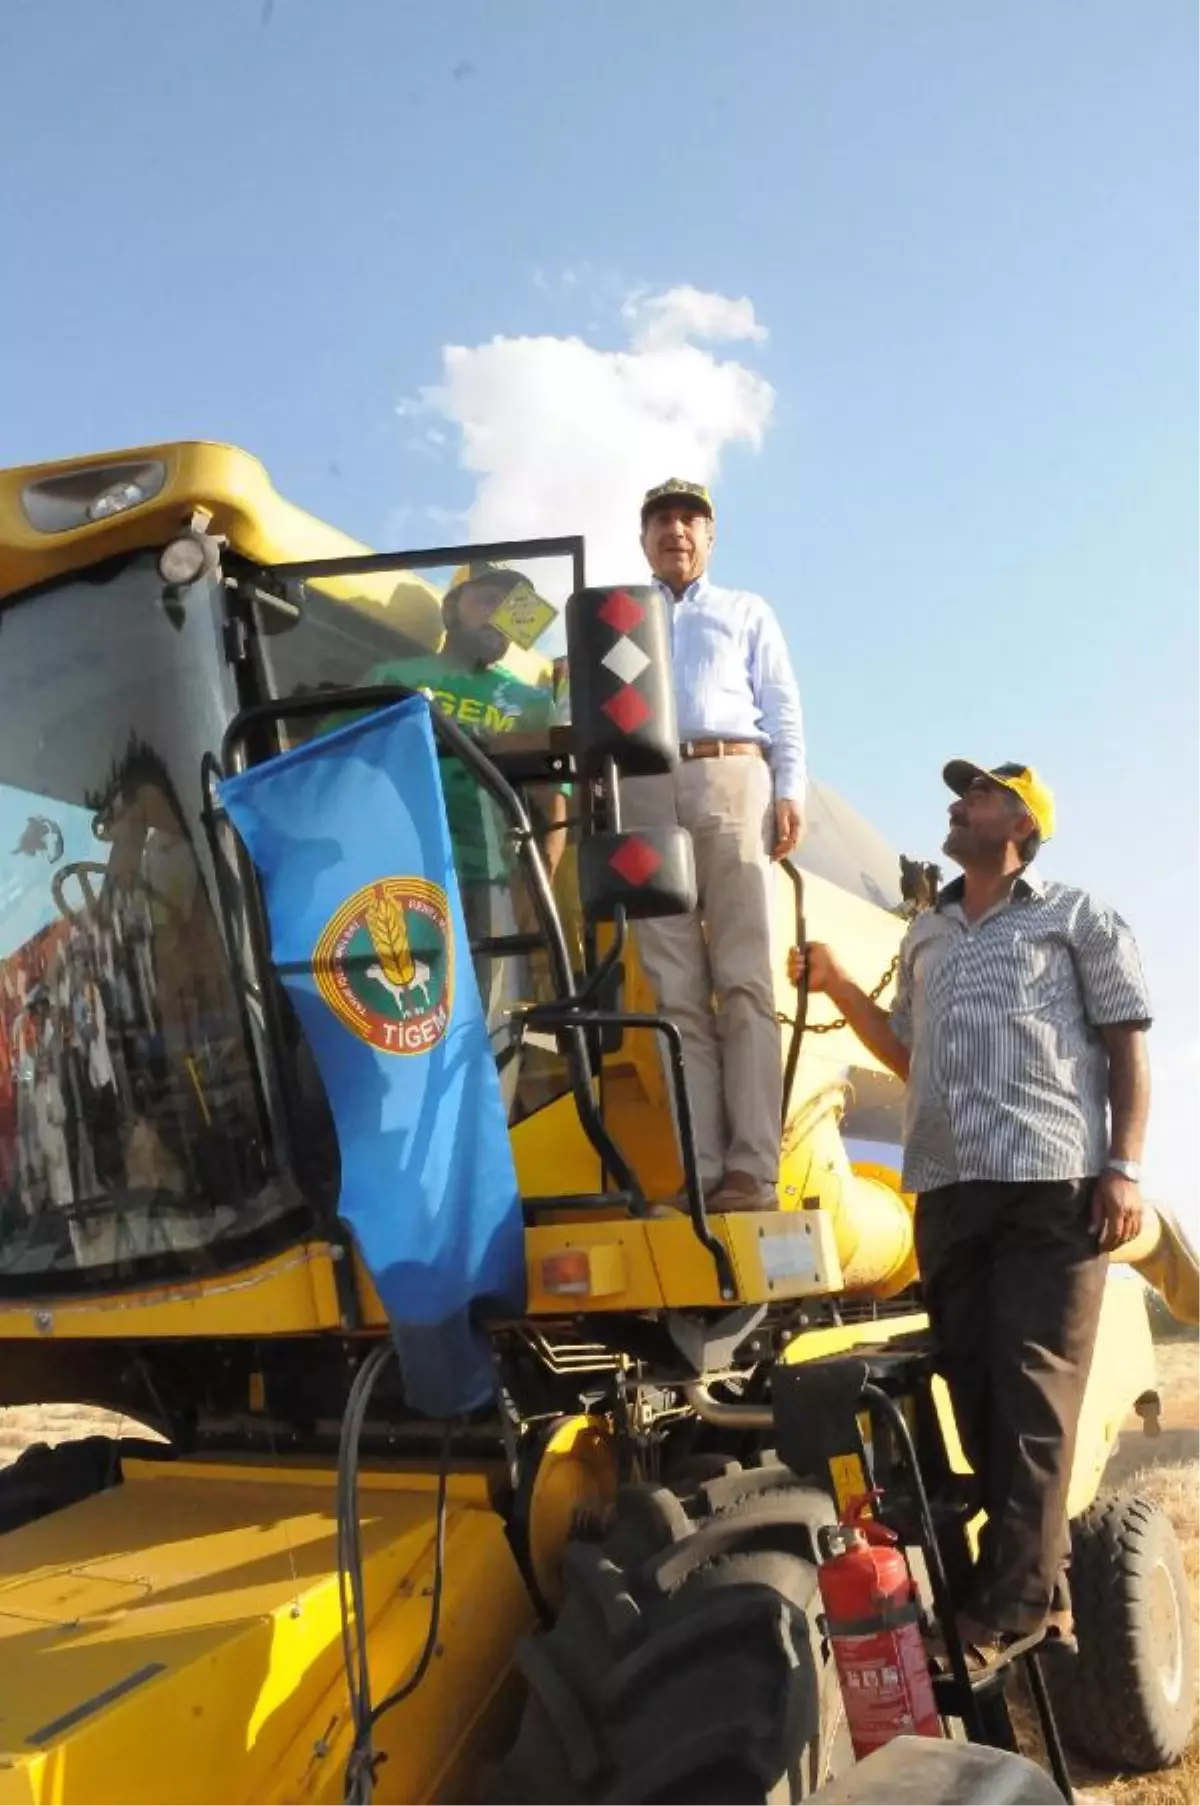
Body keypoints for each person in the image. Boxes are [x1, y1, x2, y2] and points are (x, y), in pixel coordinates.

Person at [792, 759, 1151, 1666]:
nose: (957, 805)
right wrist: (838, 988)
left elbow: (1125, 1050)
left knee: (1033, 1393)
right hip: (949, 1190)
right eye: (960, 795)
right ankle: (1050, 1588)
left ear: (1021, 823)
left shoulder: (1078, 918)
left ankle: (1008, 1610)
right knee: (979, 1392)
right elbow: (906, 1054)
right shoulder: (929, 935)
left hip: (1052, 1187)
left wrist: (1124, 1168)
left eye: (979, 795)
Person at [624, 479, 806, 1212]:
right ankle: (701, 1175)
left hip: (731, 774)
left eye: (690, 519)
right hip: (641, 783)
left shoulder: (744, 609)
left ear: (710, 536)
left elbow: (783, 703)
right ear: (643, 540)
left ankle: (751, 1170)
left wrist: (789, 787)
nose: (676, 530)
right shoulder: (618, 620)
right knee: (674, 992)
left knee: (744, 979)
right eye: (662, 520)